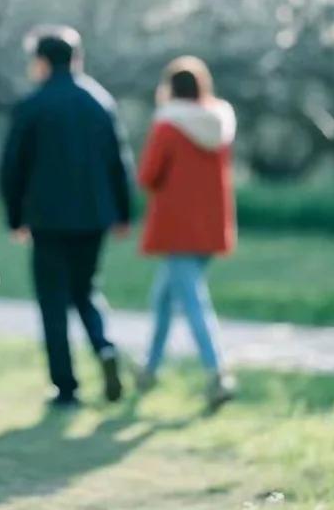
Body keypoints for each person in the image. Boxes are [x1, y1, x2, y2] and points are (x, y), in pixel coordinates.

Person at [1, 26, 132, 408]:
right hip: (93, 218)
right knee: (86, 291)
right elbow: (118, 163)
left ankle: (66, 386)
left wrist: (15, 217)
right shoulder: (99, 101)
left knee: (53, 302)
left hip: (47, 219)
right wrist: (123, 213)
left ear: (41, 61)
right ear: (76, 58)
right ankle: (103, 347)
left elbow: (13, 167)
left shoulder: (33, 104)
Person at [137, 56, 236, 410]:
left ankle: (217, 371)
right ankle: (148, 369)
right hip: (210, 227)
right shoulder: (220, 122)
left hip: (177, 227)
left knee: (193, 301)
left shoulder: (168, 125)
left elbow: (147, 176)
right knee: (163, 299)